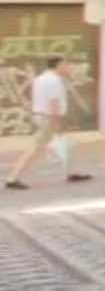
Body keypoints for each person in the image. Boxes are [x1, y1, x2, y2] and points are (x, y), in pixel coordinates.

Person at [6, 55, 71, 190]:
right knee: (36, 148)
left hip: (40, 115)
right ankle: (13, 177)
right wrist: (56, 122)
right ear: (58, 66)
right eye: (65, 65)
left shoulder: (40, 79)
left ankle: (71, 171)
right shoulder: (54, 81)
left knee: (65, 143)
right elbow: (53, 102)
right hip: (49, 117)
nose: (68, 68)